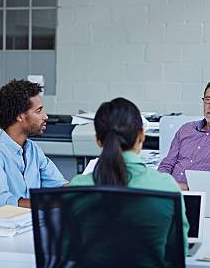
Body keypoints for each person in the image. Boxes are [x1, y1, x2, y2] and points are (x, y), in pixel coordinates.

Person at [70, 97, 189, 256]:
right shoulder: (166, 186)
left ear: (98, 140)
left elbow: (67, 249)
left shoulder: (78, 187)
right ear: (141, 136)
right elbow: (178, 250)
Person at [0, 79, 68, 214]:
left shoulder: (33, 150)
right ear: (20, 116)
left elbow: (60, 185)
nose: (45, 116)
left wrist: (83, 189)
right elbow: (1, 204)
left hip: (24, 222)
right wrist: (48, 203)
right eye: (38, 111)